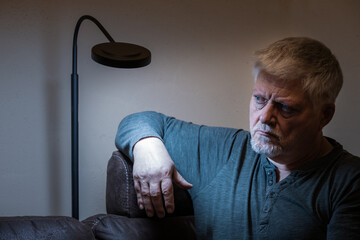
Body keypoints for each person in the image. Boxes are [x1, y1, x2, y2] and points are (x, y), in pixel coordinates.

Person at [115, 37, 360, 239]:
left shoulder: (349, 180)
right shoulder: (224, 150)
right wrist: (147, 149)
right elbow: (138, 121)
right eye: (259, 99)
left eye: (285, 108)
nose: (264, 117)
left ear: (324, 115)